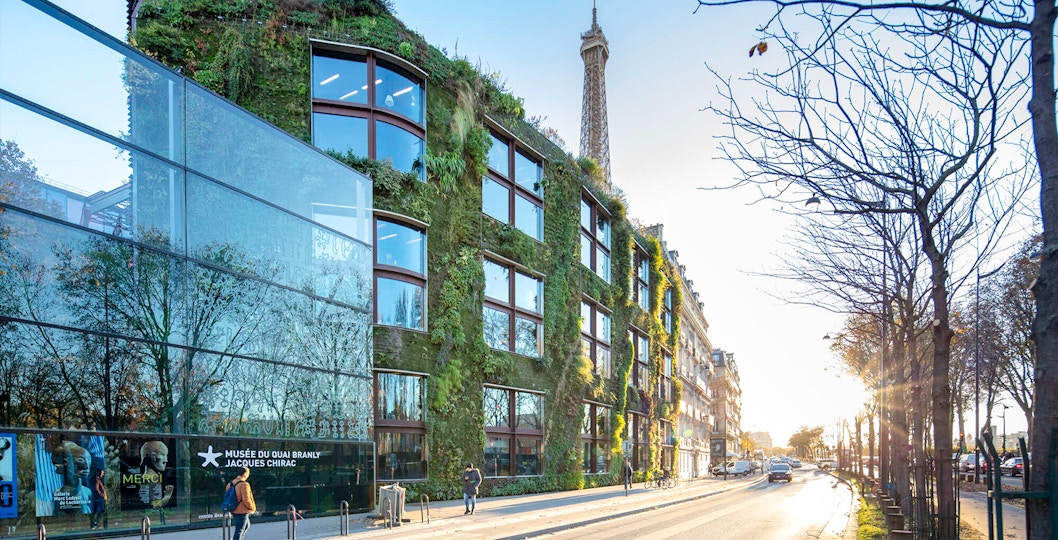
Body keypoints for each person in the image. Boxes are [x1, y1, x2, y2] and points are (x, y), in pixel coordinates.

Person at [226, 467, 257, 540]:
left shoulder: (230, 483)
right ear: (245, 474)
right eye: (248, 474)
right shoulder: (244, 484)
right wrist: (252, 508)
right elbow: (246, 499)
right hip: (242, 510)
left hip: (233, 508)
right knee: (240, 529)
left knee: (246, 525)